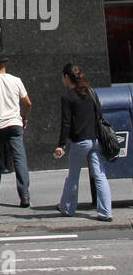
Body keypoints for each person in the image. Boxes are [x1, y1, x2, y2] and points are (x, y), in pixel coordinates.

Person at [54, 63, 112, 221]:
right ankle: (106, 211)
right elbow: (99, 114)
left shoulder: (67, 97)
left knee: (73, 175)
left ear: (66, 77)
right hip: (95, 139)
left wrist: (61, 144)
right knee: (100, 175)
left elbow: (66, 123)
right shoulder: (91, 92)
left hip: (79, 141)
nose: (62, 80)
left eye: (62, 77)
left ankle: (67, 207)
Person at [0, 51, 32, 207]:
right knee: (19, 159)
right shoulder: (16, 80)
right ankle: (24, 196)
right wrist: (25, 118)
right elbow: (28, 103)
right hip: (15, 124)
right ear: (5, 64)